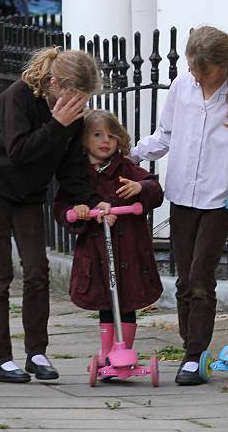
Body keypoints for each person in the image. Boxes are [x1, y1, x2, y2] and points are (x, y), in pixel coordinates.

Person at [0, 47, 109, 384]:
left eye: (84, 98)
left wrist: (94, 200)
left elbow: (72, 168)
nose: (79, 104)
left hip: (28, 193)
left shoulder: (72, 116)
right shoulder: (17, 97)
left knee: (37, 270)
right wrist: (57, 124)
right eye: (74, 95)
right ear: (53, 83)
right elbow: (19, 152)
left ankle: (36, 352)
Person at [130, 26, 228, 386]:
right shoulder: (181, 87)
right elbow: (165, 135)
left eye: (200, 70)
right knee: (184, 279)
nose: (195, 75)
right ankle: (190, 347)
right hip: (182, 197)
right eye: (191, 68)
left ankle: (194, 355)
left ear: (221, 66)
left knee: (202, 277)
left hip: (220, 200)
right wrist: (129, 154)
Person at [53, 109, 164, 366]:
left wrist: (140, 187)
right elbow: (61, 206)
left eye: (112, 136)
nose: (106, 141)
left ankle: (124, 351)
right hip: (97, 251)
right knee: (106, 300)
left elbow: (155, 190)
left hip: (129, 249)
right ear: (83, 140)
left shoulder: (125, 167)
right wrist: (77, 212)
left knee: (129, 301)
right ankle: (106, 352)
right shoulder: (78, 174)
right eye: (97, 135)